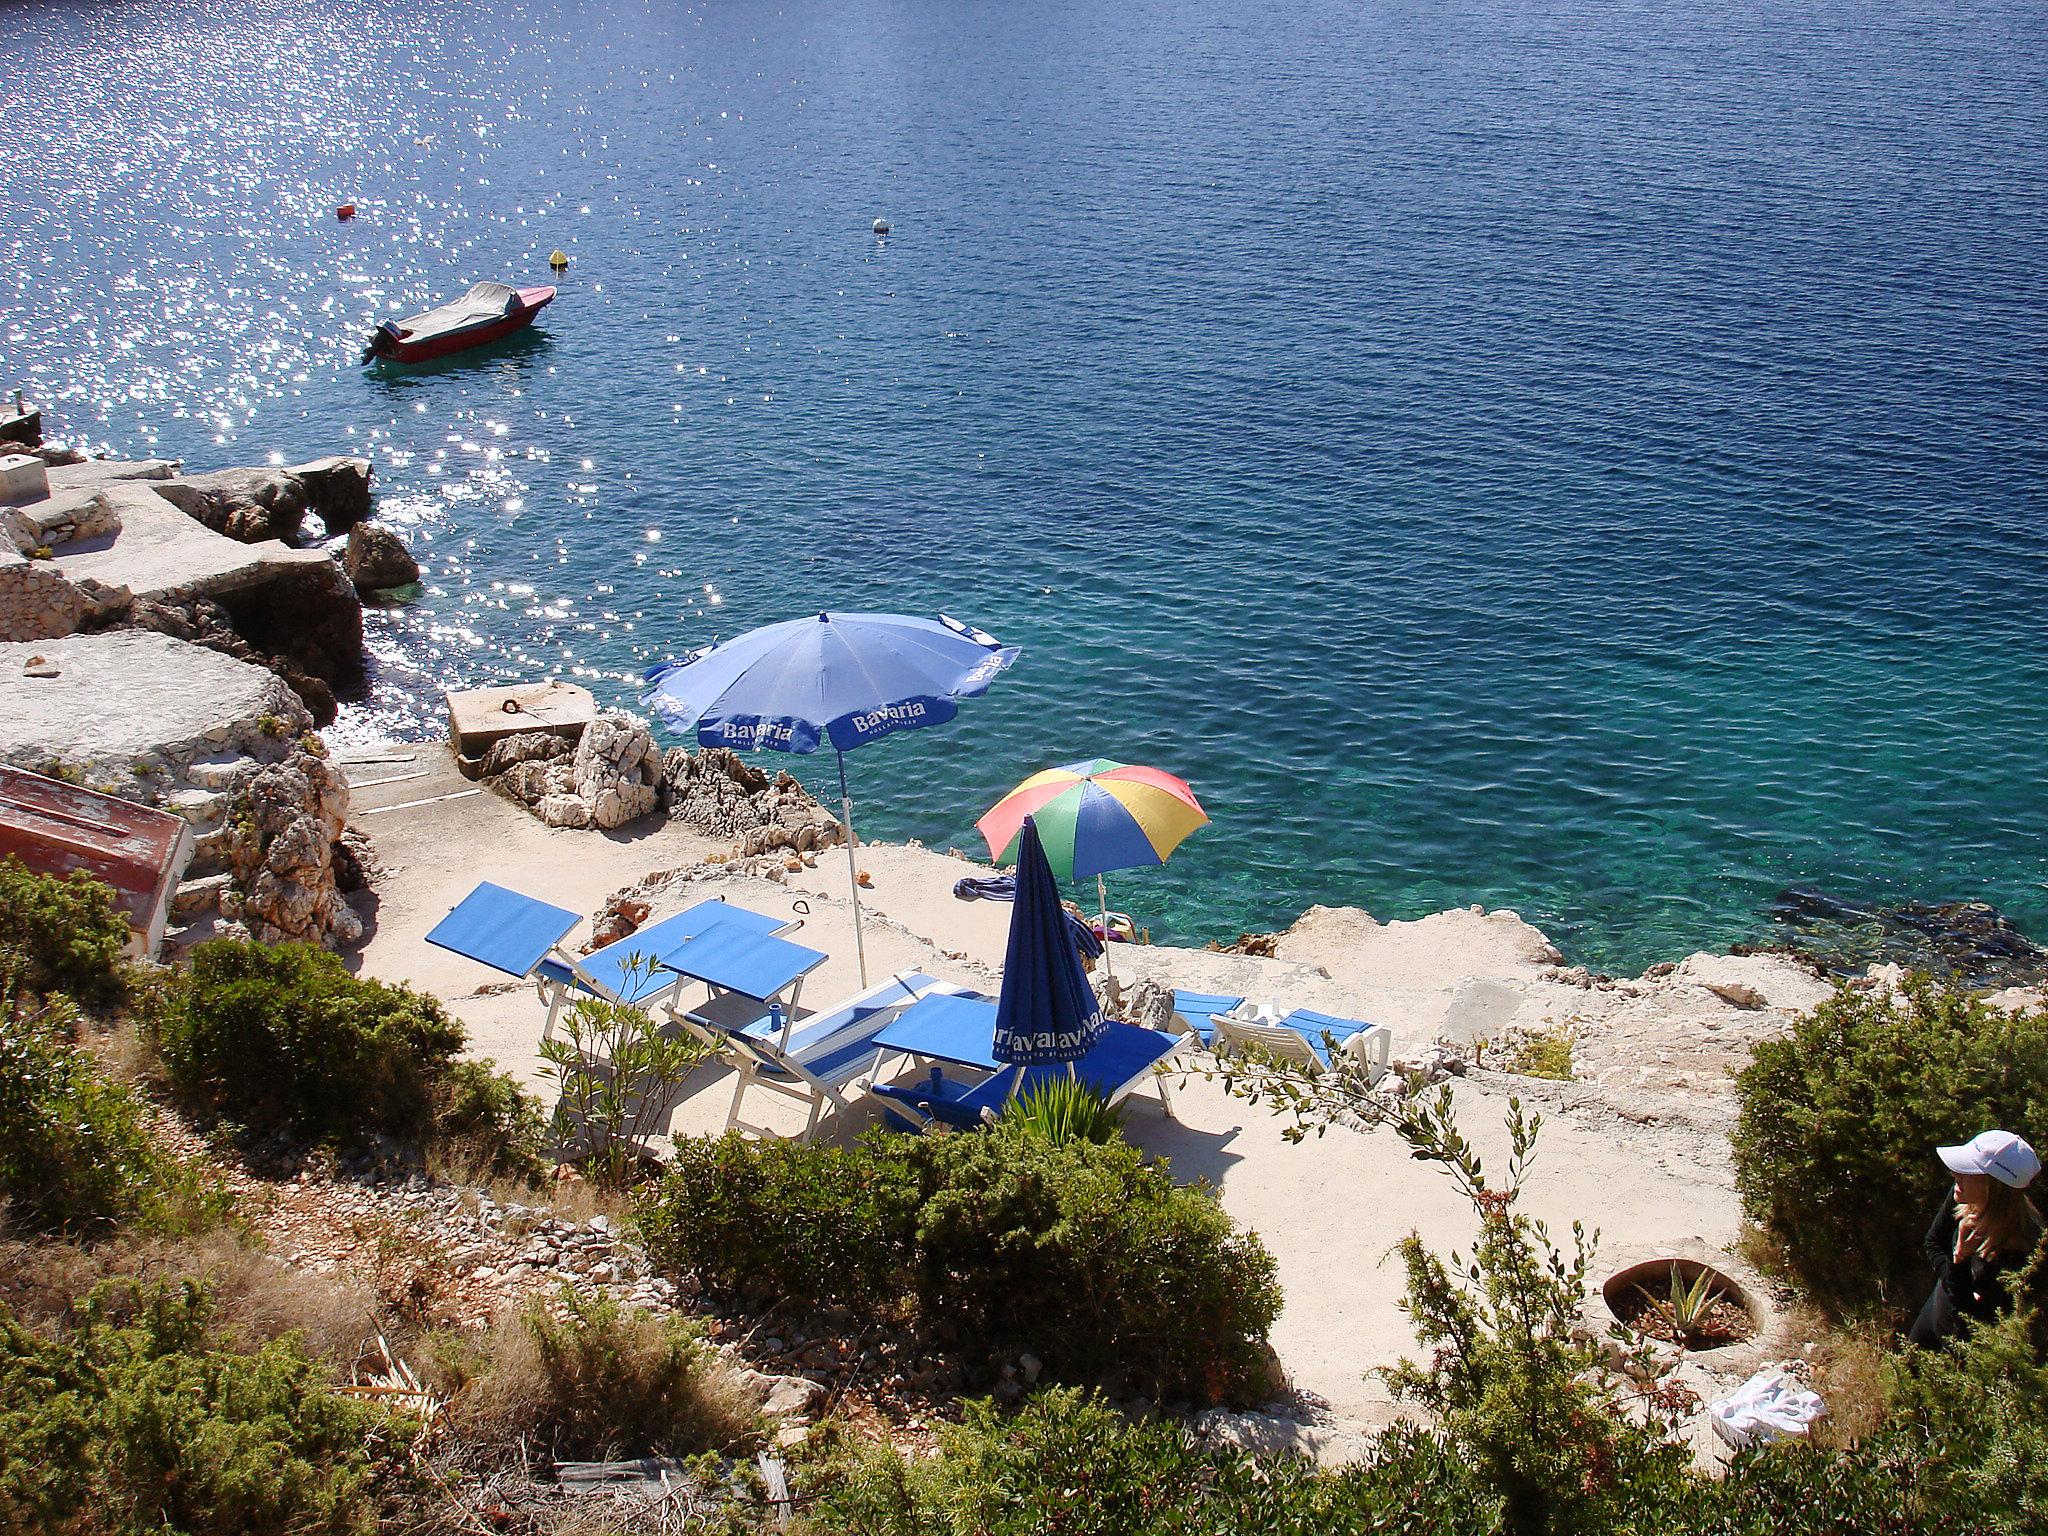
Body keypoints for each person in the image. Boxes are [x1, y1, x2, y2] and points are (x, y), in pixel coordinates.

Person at [1907, 1129, 2045, 1347]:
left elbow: (1974, 1326)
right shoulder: (1963, 1196)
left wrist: (1960, 1258)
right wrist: (1954, 1278)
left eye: (1968, 1171)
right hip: (1934, 1315)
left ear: (1994, 1187)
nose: (1955, 1175)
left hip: (1967, 1350)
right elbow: (1934, 1242)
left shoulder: (2025, 1257)